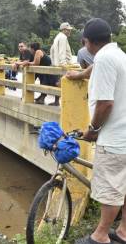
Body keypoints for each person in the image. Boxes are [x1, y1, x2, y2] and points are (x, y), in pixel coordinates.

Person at [76, 18, 126, 244]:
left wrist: (93, 130)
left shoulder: (104, 58)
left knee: (111, 188)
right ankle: (123, 232)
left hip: (114, 138)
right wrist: (77, 75)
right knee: (123, 185)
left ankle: (101, 236)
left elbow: (105, 103)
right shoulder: (119, 56)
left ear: (87, 42)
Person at [50, 22, 73, 106]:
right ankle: (68, 103)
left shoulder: (57, 37)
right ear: (63, 30)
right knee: (65, 84)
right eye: (68, 30)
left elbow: (52, 50)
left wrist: (54, 63)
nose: (70, 31)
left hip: (57, 64)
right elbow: (62, 52)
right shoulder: (63, 37)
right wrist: (64, 64)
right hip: (63, 65)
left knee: (59, 83)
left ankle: (57, 101)